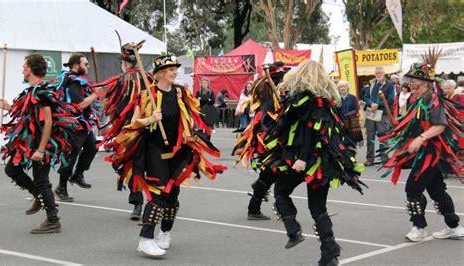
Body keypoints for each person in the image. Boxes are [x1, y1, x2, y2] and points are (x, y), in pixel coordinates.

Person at [108, 54, 226, 257]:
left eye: (175, 69)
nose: (175, 72)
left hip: (177, 151)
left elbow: (188, 117)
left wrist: (189, 133)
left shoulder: (180, 93)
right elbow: (132, 124)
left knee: (173, 197)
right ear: (161, 73)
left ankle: (165, 233)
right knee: (158, 194)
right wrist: (150, 119)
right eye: (171, 69)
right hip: (155, 150)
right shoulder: (148, 95)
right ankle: (145, 239)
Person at [262, 60, 366, 265]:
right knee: (318, 208)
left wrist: (301, 158)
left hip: (304, 158)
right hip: (323, 161)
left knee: (281, 191)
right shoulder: (326, 100)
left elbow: (310, 130)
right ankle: (330, 253)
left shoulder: (306, 100)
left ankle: (293, 230)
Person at [379, 63, 463, 242]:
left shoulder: (433, 99)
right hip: (424, 152)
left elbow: (440, 125)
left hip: (431, 152)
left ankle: (419, 227)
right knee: (437, 190)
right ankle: (454, 227)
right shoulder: (416, 99)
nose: (410, 82)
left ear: (425, 82)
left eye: (414, 79)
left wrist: (421, 138)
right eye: (409, 79)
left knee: (412, 188)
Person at [0, 54, 82, 233]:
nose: (22, 69)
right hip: (29, 143)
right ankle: (38, 196)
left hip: (42, 144)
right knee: (12, 169)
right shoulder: (33, 91)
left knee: (41, 181)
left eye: (24, 67)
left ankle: (53, 220)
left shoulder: (43, 92)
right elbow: (29, 113)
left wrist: (42, 149)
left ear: (30, 69)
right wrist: (8, 107)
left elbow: (49, 122)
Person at [92, 41, 146, 220]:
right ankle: (144, 202)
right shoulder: (149, 79)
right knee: (140, 166)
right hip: (146, 129)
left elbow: (113, 108)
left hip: (130, 133)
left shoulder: (123, 81)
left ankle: (138, 203)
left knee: (129, 165)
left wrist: (102, 95)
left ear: (125, 63)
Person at [233, 62, 289, 220]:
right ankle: (261, 206)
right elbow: (263, 121)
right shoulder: (269, 97)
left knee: (272, 175)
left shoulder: (276, 94)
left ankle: (258, 203)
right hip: (271, 141)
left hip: (276, 140)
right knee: (273, 174)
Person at [54, 53, 100, 202]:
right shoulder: (72, 81)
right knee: (71, 155)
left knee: (93, 146)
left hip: (83, 124)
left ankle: (78, 174)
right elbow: (78, 105)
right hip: (74, 124)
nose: (88, 66)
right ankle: (61, 187)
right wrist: (94, 96)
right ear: (75, 65)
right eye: (85, 64)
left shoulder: (80, 81)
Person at [363, 66, 395, 166]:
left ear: (384, 73)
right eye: (376, 73)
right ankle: (370, 159)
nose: (378, 75)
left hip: (383, 114)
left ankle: (384, 159)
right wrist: (371, 103)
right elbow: (366, 97)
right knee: (370, 137)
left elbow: (391, 100)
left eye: (380, 73)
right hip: (371, 113)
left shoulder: (389, 85)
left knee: (383, 136)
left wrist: (378, 105)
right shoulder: (372, 84)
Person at [337, 80, 363, 144]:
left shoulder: (353, 97)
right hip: (340, 123)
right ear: (338, 89)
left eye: (344, 86)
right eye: (340, 87)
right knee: (342, 143)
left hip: (352, 123)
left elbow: (356, 109)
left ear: (347, 88)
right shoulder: (337, 98)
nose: (342, 88)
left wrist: (346, 116)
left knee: (352, 143)